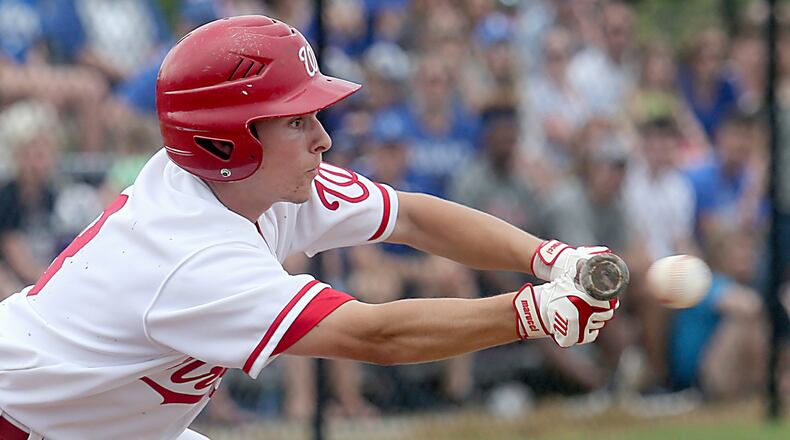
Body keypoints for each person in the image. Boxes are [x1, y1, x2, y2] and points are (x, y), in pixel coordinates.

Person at [0, 16, 619, 439]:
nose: (323, 138)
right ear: (222, 141)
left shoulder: (253, 182)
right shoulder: (193, 254)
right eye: (295, 120)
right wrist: (529, 314)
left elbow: (412, 214)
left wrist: (551, 258)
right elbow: (374, 335)